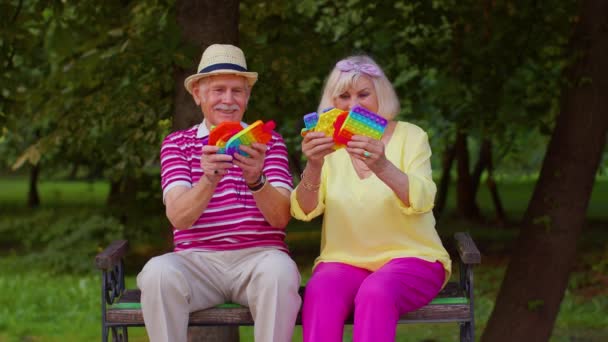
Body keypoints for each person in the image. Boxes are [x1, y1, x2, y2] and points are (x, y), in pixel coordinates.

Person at [137, 44, 301, 342]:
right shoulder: (177, 144)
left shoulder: (269, 142)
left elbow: (280, 219)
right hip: (198, 262)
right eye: (218, 90)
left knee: (280, 272)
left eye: (237, 91)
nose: (228, 100)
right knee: (156, 272)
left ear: (247, 97)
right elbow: (179, 218)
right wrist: (208, 180)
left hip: (259, 259)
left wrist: (256, 178)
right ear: (198, 94)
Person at [291, 55, 452, 342]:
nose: (353, 105)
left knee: (376, 291)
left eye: (363, 94)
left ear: (381, 95)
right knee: (320, 292)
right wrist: (314, 165)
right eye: (344, 96)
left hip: (413, 258)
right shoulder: (328, 146)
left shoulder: (411, 136)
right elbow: (304, 210)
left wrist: (383, 166)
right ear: (333, 102)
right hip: (343, 261)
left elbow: (423, 198)